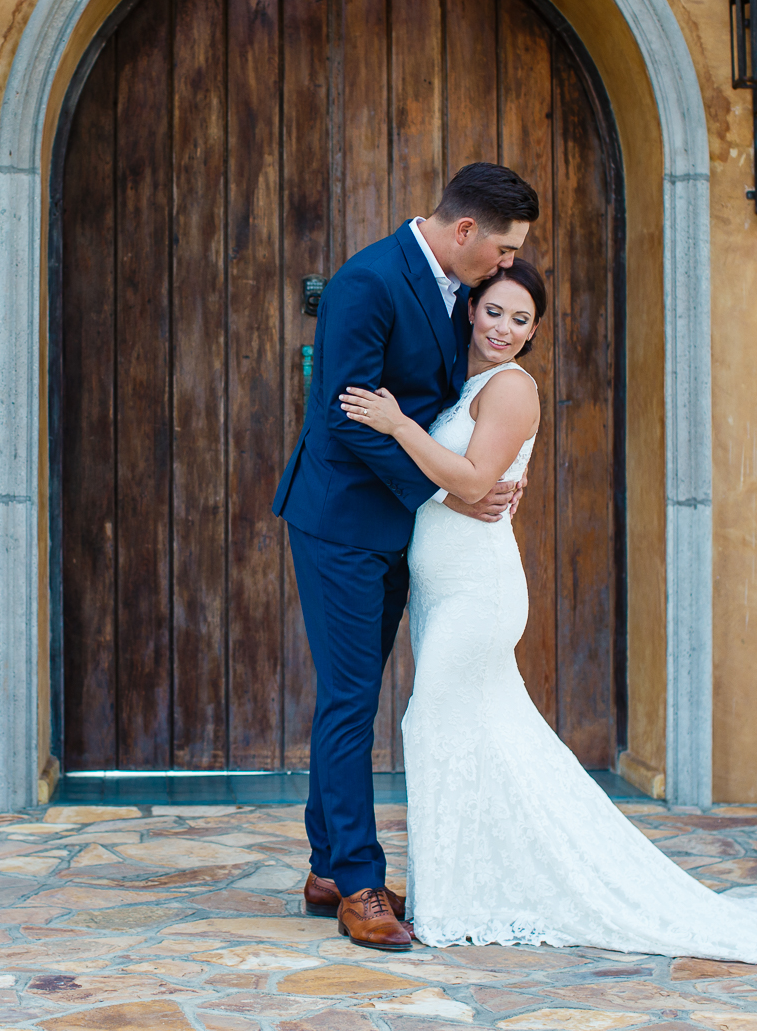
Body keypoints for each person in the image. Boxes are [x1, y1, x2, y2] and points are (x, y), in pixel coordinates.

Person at [336, 261, 757, 973]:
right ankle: (463, 892)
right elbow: (460, 488)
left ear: (533, 334)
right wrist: (446, 479)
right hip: (447, 587)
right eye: (495, 312)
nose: (505, 329)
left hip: (478, 595)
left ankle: (462, 899)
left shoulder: (513, 388)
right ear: (471, 312)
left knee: (437, 723)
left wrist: (398, 423)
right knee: (478, 738)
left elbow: (469, 479)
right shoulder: (466, 386)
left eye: (522, 320)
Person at [272, 162, 538, 951]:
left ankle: (327, 864)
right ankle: (358, 882)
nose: (505, 264)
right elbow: (346, 419)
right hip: (343, 523)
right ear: (464, 232)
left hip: (401, 533)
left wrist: (491, 465)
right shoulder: (368, 281)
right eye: (501, 249)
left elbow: (449, 397)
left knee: (350, 694)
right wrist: (448, 493)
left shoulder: (458, 288)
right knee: (352, 698)